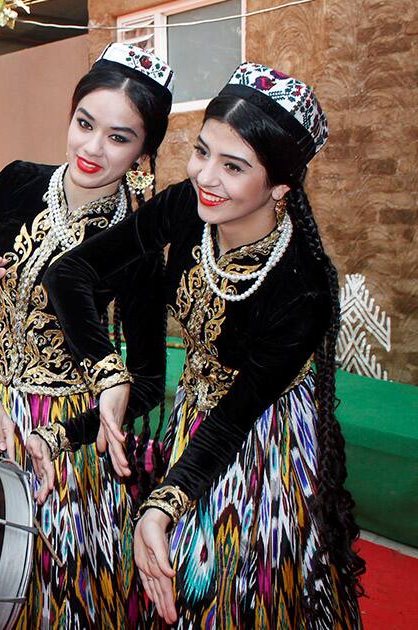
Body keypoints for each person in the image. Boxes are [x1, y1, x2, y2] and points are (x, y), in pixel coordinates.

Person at [36, 63, 363, 628]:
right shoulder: (187, 205)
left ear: (280, 188)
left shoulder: (303, 286)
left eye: (232, 167)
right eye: (202, 152)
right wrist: (107, 377)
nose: (206, 177)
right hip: (190, 418)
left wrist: (160, 506)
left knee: (233, 593)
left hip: (264, 444)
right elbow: (71, 273)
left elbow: (235, 418)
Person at [0, 43, 174, 628]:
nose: (92, 148)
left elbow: (146, 384)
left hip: (67, 448)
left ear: (144, 153)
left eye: (119, 137)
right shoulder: (18, 183)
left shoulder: (142, 243)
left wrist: (61, 435)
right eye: (84, 124)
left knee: (55, 597)